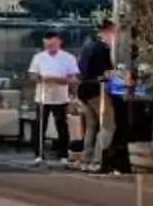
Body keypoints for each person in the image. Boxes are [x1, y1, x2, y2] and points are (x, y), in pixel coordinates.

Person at [28, 32, 81, 163]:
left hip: (60, 96)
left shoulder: (68, 58)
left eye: (52, 44)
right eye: (47, 44)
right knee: (40, 125)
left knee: (61, 125)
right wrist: (41, 78)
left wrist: (62, 80)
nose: (49, 46)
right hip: (42, 96)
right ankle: (38, 154)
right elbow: (32, 75)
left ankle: (63, 154)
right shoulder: (38, 57)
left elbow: (74, 78)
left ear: (59, 42)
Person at [76, 22, 119, 170]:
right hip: (96, 91)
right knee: (108, 126)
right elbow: (106, 73)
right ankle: (98, 160)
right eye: (114, 33)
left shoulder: (88, 46)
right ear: (108, 32)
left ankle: (86, 160)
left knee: (91, 126)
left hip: (83, 90)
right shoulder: (103, 48)